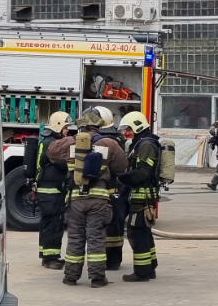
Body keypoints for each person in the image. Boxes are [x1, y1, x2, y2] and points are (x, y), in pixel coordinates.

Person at [47, 110, 127, 288]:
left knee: (75, 238)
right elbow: (122, 167)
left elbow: (50, 152)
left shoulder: (70, 142)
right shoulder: (109, 143)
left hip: (75, 199)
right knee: (96, 238)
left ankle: (71, 277)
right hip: (99, 199)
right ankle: (97, 278)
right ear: (99, 126)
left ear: (81, 125)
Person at [117, 111, 162, 282]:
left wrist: (121, 178)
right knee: (144, 232)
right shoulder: (141, 143)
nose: (127, 132)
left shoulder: (146, 145)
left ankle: (142, 272)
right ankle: (150, 268)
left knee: (136, 232)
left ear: (137, 126)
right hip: (141, 195)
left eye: (129, 128)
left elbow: (143, 172)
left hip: (142, 195)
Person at [35, 111, 72, 269]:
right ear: (57, 126)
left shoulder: (47, 141)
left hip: (46, 191)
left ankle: (45, 253)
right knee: (54, 223)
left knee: (47, 221)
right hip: (51, 192)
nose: (67, 131)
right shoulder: (53, 144)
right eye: (65, 127)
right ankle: (51, 258)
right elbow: (61, 164)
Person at [93, 106, 128, 271]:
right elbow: (121, 167)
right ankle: (113, 261)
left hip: (98, 192)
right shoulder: (116, 140)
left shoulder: (90, 140)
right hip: (115, 191)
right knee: (115, 226)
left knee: (99, 227)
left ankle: (105, 261)